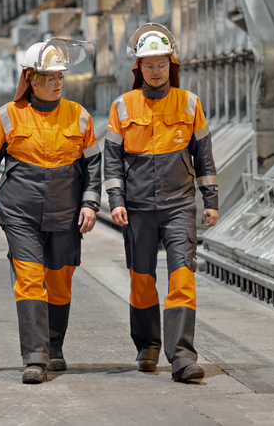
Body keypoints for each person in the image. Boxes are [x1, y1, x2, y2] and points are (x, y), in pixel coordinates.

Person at [0, 39, 102, 385]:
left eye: (60, 77)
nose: (57, 82)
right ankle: (35, 357)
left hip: (66, 215)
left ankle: (54, 347)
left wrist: (90, 203)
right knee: (29, 282)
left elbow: (94, 164)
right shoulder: (7, 116)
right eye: (49, 76)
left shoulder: (79, 115)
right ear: (30, 78)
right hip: (20, 214)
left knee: (60, 283)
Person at [103, 23, 218, 383]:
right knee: (142, 281)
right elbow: (111, 161)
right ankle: (148, 346)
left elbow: (204, 157)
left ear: (172, 65)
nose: (156, 71)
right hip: (137, 208)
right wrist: (116, 200)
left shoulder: (189, 103)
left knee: (182, 277)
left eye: (162, 64)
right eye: (149, 65)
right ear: (138, 68)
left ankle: (182, 356)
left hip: (179, 205)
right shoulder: (122, 107)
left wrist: (210, 200)